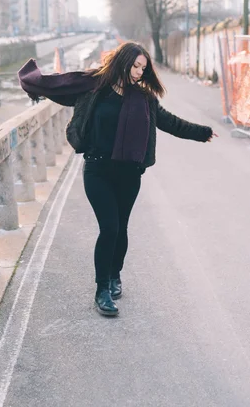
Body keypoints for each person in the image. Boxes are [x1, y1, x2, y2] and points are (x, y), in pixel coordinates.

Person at [18, 41, 217, 317]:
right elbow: (59, 86)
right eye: (135, 66)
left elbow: (169, 122)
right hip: (97, 170)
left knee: (121, 228)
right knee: (109, 227)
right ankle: (102, 290)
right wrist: (33, 84)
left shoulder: (144, 98)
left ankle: (114, 276)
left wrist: (201, 132)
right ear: (123, 61)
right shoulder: (93, 87)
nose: (138, 72)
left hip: (129, 174)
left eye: (143, 68)